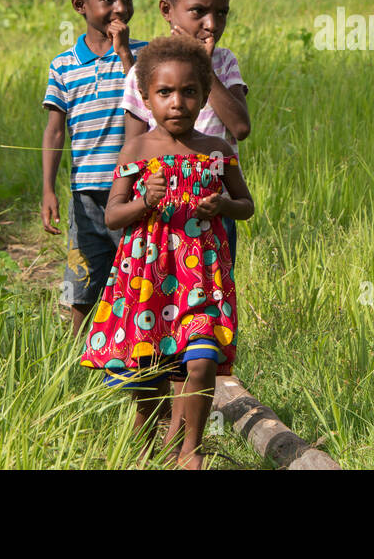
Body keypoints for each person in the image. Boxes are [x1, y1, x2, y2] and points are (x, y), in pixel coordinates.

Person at [82, 34, 254, 469]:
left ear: (204, 95)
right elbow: (113, 217)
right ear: (145, 96)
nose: (177, 102)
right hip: (148, 279)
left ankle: (190, 452)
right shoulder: (136, 150)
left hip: (200, 276)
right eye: (165, 92)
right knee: (150, 380)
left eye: (189, 91)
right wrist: (146, 201)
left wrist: (223, 206)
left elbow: (247, 205)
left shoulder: (216, 152)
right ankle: (142, 451)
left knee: (200, 361)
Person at [41, 0, 146, 336]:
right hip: (86, 192)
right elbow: (55, 131)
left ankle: (135, 352)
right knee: (83, 282)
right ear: (80, 6)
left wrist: (124, 54)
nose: (121, 8)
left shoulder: (145, 56)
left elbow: (149, 100)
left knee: (136, 279)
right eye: (109, 0)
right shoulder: (64, 65)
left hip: (135, 190)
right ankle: (78, 358)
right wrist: (48, 189)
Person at [121, 0, 249, 262]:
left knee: (213, 289)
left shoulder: (224, 62)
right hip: (160, 213)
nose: (212, 24)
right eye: (198, 12)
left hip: (215, 207)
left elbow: (241, 128)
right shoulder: (146, 71)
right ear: (167, 10)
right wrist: (140, 202)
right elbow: (134, 148)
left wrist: (206, 69)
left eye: (221, 13)